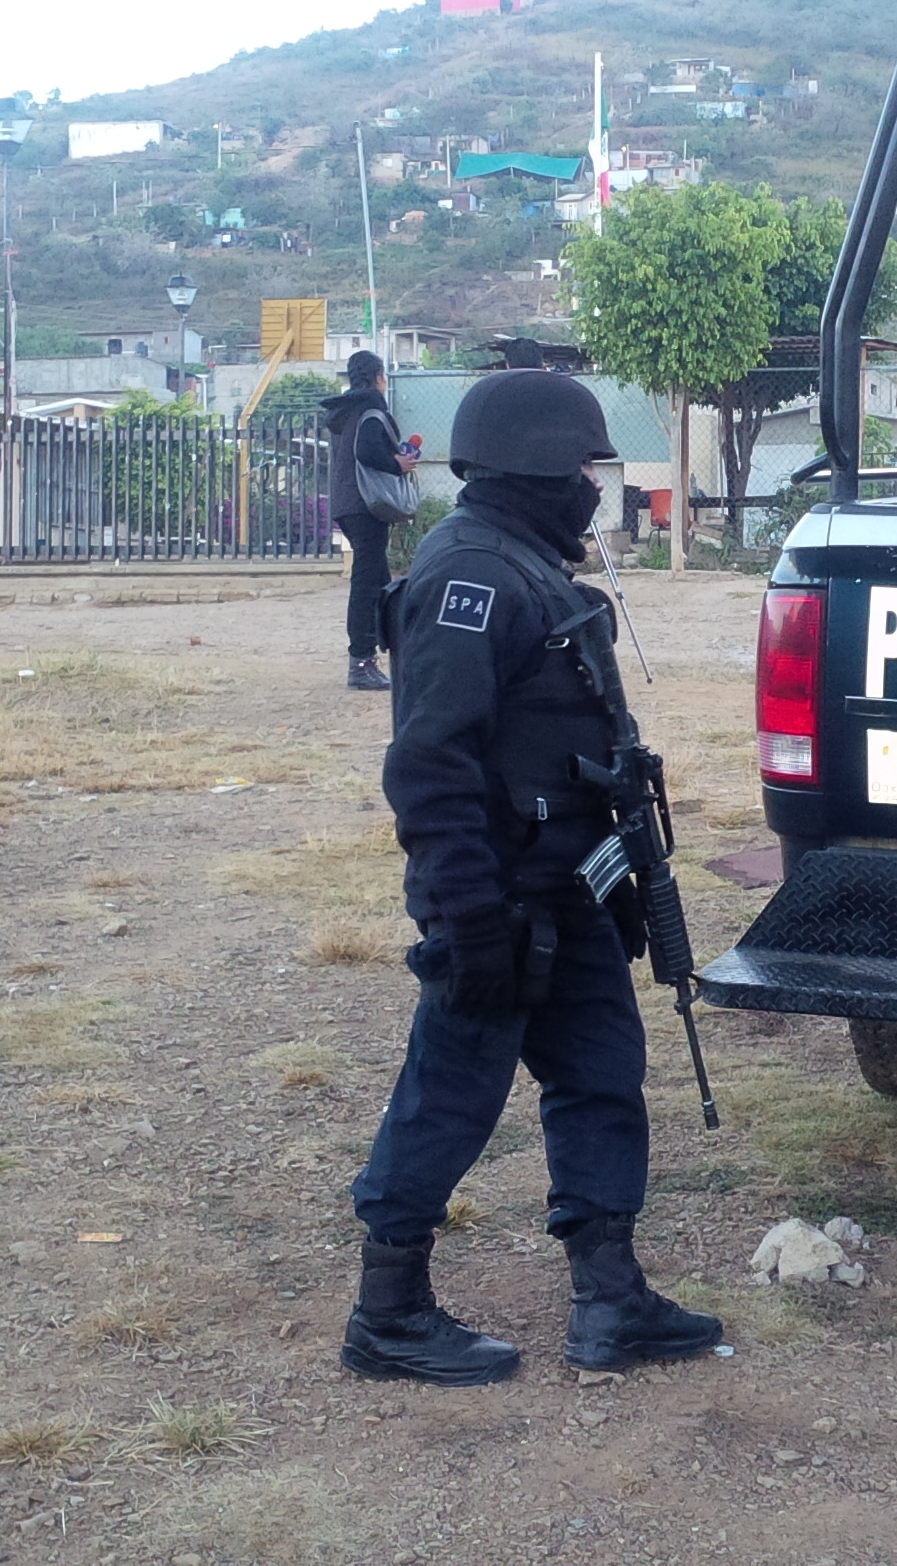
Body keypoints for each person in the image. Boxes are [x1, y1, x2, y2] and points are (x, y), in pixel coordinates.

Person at [342, 369, 720, 1387]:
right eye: (584, 469)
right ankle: (387, 1310)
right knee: (452, 1095)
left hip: (573, 890)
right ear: (540, 468)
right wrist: (467, 916)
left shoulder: (532, 567)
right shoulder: (468, 578)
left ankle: (611, 1299)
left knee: (601, 1077)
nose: (594, 488)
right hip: (500, 902)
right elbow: (429, 766)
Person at [320, 350, 418, 691]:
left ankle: (379, 652)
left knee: (377, 579)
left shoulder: (344, 413)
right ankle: (361, 661)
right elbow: (368, 452)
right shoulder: (372, 411)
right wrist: (399, 464)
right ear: (378, 377)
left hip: (347, 503)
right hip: (367, 505)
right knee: (366, 583)